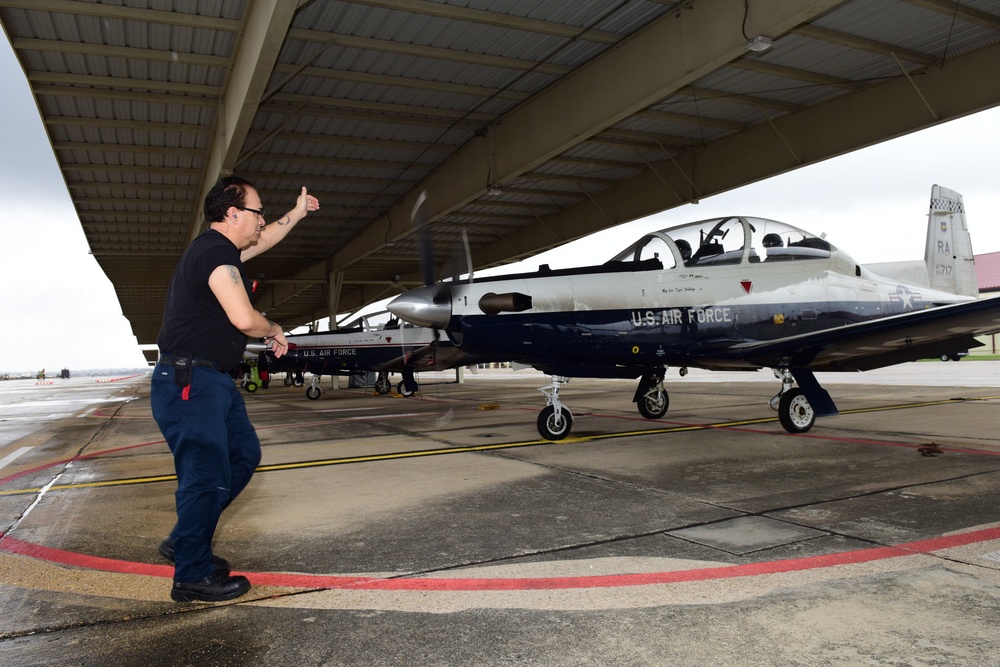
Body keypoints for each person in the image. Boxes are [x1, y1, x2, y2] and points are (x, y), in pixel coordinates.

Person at [151, 176, 319, 602]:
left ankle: (183, 540)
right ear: (232, 213)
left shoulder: (223, 252)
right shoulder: (213, 254)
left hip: (212, 380)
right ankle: (191, 576)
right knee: (205, 477)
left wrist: (296, 214)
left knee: (243, 456)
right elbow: (245, 320)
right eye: (258, 211)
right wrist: (276, 329)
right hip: (191, 381)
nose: (263, 220)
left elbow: (267, 239)